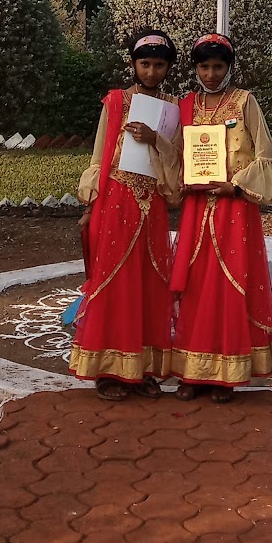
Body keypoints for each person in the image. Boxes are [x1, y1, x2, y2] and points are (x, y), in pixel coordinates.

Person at [170, 31, 272, 399]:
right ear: (195, 68)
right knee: (195, 283)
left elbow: (265, 156)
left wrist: (236, 186)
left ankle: (227, 374)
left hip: (234, 209)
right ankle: (192, 373)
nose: (210, 74)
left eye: (218, 66)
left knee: (230, 284)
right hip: (196, 208)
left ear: (229, 67)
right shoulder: (186, 106)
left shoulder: (245, 103)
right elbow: (176, 152)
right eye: (204, 67)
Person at [69, 30, 182, 399]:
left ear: (168, 68)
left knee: (150, 282)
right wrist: (90, 207)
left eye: (159, 65)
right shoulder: (116, 102)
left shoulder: (173, 108)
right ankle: (108, 371)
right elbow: (101, 156)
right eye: (144, 63)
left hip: (152, 205)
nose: (151, 71)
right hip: (115, 200)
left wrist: (156, 139)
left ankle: (143, 369)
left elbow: (177, 159)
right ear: (133, 64)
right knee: (113, 281)